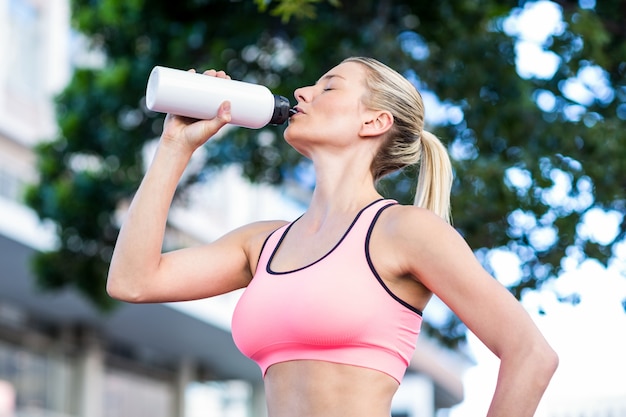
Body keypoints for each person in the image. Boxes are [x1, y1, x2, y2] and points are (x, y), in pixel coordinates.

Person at [107, 56, 558, 417]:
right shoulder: (262, 244)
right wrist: (174, 147)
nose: (303, 92)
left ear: (374, 122)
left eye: (329, 86)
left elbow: (531, 354)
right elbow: (133, 281)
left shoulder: (405, 231)